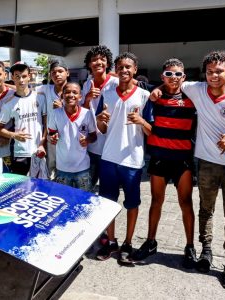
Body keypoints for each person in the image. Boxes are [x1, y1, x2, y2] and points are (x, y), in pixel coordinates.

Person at [152, 50, 225, 289]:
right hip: (207, 163)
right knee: (205, 210)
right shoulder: (197, 88)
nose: (214, 75)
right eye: (210, 71)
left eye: (219, 71)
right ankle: (206, 251)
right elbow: (174, 78)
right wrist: (159, 87)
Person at [132, 58, 197, 268]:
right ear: (162, 77)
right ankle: (150, 242)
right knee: (156, 202)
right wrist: (157, 90)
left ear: (184, 77)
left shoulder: (192, 96)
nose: (173, 78)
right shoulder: (153, 97)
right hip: (159, 158)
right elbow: (127, 79)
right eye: (169, 74)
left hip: (183, 160)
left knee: (186, 204)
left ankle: (189, 247)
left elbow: (214, 88)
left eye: (178, 74)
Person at [94, 52, 151, 262]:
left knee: (132, 203)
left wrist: (141, 122)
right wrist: (100, 119)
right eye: (120, 67)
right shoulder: (107, 92)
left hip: (132, 160)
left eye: (128, 67)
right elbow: (101, 127)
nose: (124, 70)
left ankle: (128, 243)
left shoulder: (144, 96)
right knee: (108, 203)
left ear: (135, 69)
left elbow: (152, 131)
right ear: (115, 70)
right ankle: (111, 243)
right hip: (108, 157)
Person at [0, 61, 47, 176]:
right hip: (20, 153)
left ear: (29, 77)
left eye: (24, 76)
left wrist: (42, 143)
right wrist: (14, 135)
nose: (21, 80)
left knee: (39, 188)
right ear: (12, 78)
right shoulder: (8, 104)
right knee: (22, 189)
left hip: (38, 151)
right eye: (17, 77)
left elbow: (46, 124)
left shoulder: (40, 97)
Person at [81, 45, 119, 190]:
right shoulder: (86, 85)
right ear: (89, 64)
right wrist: (88, 98)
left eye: (102, 59)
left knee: (108, 190)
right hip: (92, 146)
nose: (98, 62)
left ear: (108, 63)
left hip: (110, 146)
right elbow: (83, 113)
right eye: (94, 60)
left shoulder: (116, 83)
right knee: (88, 188)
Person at [48, 82, 97, 191]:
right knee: (63, 201)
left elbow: (94, 136)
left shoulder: (87, 114)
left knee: (84, 202)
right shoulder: (55, 114)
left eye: (75, 92)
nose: (71, 95)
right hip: (62, 168)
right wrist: (53, 137)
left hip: (83, 169)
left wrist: (87, 140)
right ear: (62, 96)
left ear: (80, 97)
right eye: (67, 92)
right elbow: (51, 133)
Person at [39, 60, 70, 179]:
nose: (57, 74)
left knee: (66, 169)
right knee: (51, 168)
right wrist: (3, 85)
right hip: (51, 137)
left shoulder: (74, 91)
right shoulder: (47, 89)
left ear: (67, 73)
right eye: (53, 72)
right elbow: (26, 88)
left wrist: (64, 108)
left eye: (60, 71)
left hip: (69, 137)